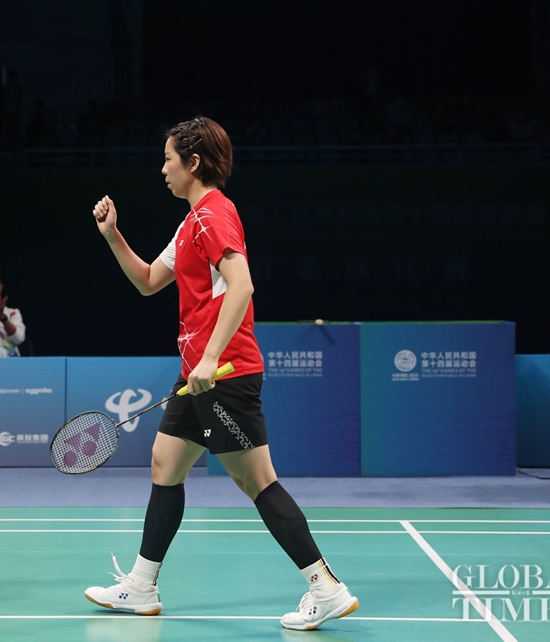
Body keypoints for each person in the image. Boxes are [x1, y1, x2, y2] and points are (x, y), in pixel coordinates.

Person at [84, 117, 358, 631]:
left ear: (193, 162)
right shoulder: (190, 223)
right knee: (166, 464)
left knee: (258, 483)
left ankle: (326, 588)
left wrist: (210, 358)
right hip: (198, 376)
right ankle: (141, 586)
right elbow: (148, 281)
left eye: (168, 159)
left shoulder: (214, 215)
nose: (162, 169)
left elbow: (242, 284)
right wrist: (113, 236)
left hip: (224, 374)